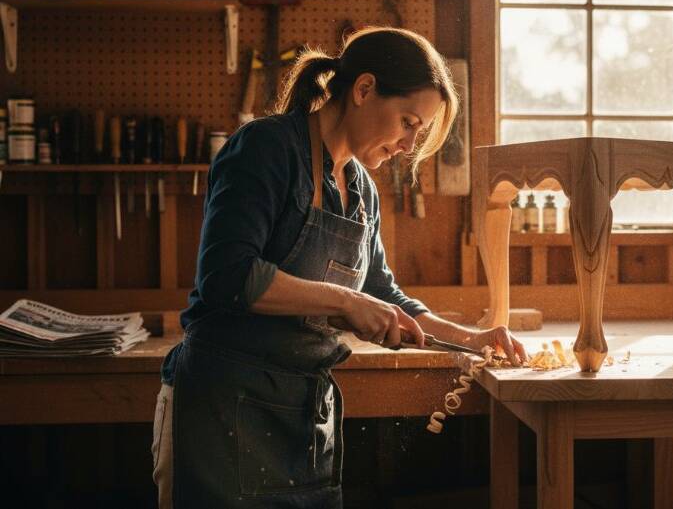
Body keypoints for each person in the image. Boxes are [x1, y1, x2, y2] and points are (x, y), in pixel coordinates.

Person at [151, 26, 529, 508]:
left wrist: (472, 339)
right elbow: (227, 275)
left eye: (419, 131)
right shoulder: (266, 148)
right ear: (364, 89)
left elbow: (383, 294)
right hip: (223, 409)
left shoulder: (362, 190)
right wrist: (347, 302)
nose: (409, 144)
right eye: (408, 122)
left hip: (303, 415)